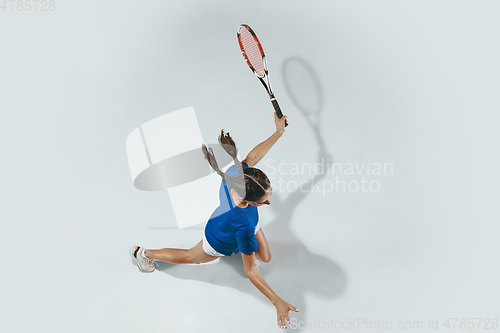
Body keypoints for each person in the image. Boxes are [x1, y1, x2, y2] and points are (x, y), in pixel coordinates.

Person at [130, 113, 298, 329]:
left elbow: (252, 157)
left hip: (240, 224)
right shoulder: (244, 226)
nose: (269, 201)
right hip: (218, 238)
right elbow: (250, 272)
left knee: (265, 256)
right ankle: (142, 253)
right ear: (249, 201)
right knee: (191, 257)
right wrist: (277, 301)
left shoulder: (236, 176)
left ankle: (243, 250)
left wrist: (278, 131)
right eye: (264, 201)